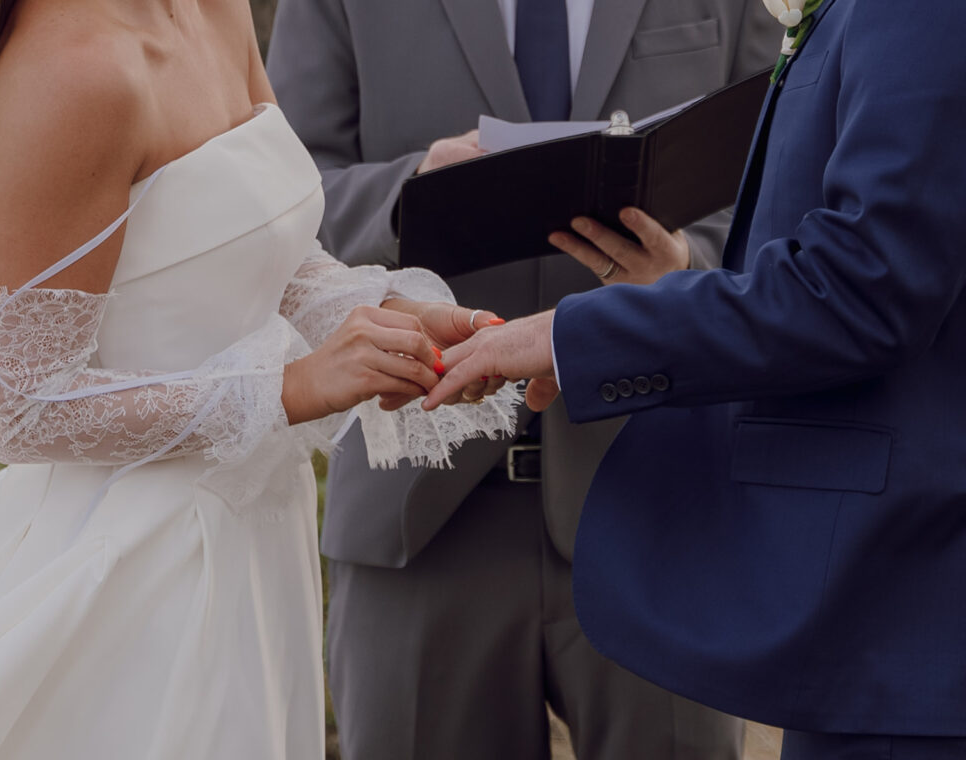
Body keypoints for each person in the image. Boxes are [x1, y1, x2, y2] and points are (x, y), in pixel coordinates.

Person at [0, 0, 518, 757]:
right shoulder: (74, 72)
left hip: (255, 536)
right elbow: (19, 405)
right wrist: (290, 386)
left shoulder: (214, 7)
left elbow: (265, 241)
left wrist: (385, 312)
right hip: (138, 566)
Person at [425, 0, 966, 757]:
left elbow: (869, 282)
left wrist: (575, 334)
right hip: (884, 627)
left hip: (911, 621)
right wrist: (674, 284)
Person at [267, 1, 776, 758]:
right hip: (418, 512)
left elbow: (785, 185)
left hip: (658, 509)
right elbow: (274, 202)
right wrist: (413, 190)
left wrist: (688, 271)